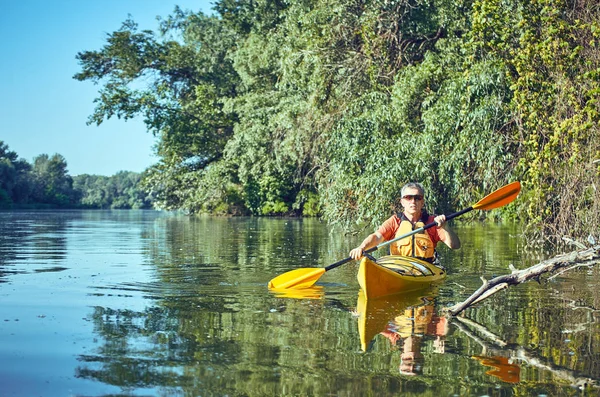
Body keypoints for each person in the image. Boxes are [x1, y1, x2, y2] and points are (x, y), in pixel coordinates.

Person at [349, 182, 460, 262]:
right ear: (402, 202)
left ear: (422, 202)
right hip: (398, 267)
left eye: (417, 198)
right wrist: (361, 248)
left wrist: (445, 227)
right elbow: (377, 237)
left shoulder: (432, 222)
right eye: (408, 197)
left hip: (424, 268)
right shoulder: (395, 221)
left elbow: (455, 245)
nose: (413, 201)